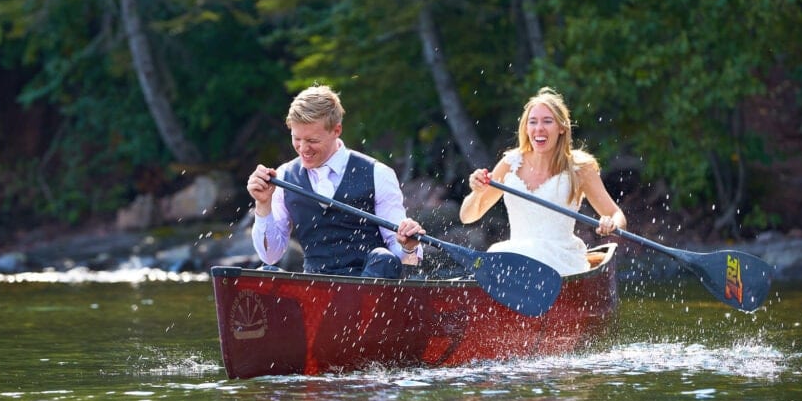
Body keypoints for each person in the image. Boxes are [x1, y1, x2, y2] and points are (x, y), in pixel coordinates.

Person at [247, 85, 424, 278]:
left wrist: (408, 248)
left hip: (370, 292)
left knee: (384, 258)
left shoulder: (378, 174)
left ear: (336, 130)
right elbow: (270, 256)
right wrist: (263, 204)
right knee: (266, 273)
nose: (303, 148)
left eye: (312, 140)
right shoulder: (283, 177)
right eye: (297, 139)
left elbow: (406, 264)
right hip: (314, 293)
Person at [459, 87, 626, 275]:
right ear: (526, 128)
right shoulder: (510, 163)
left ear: (561, 128)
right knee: (494, 258)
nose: (539, 128)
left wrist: (611, 224)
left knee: (519, 257)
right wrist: (478, 192)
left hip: (561, 260)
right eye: (533, 122)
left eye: (547, 121)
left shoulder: (580, 169)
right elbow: (467, 217)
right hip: (515, 255)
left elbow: (616, 215)